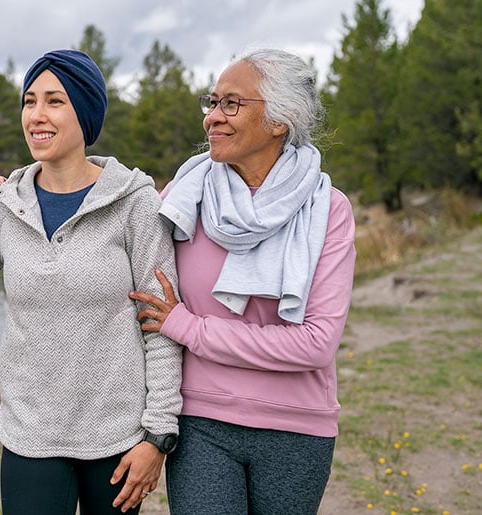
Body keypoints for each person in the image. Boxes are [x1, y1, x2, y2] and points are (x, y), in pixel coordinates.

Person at [0, 49, 183, 514]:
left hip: (117, 436)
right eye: (29, 101)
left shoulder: (134, 202)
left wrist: (158, 433)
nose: (36, 115)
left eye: (54, 101)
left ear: (86, 113)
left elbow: (159, 324)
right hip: (30, 435)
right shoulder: (3, 206)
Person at [129, 48, 357, 514]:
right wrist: (25, 193)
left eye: (231, 104)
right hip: (201, 423)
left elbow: (315, 344)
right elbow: (115, 237)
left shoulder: (329, 210)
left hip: (297, 428)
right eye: (211, 102)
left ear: (281, 120)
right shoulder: (184, 195)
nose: (212, 117)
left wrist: (188, 327)